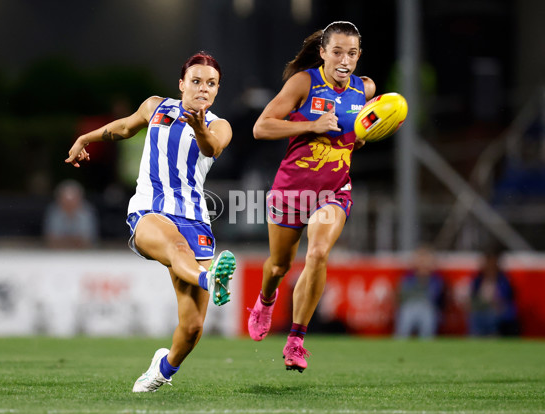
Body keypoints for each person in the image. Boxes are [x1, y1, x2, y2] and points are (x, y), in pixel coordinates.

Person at [65, 52, 236, 393]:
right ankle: (209, 278)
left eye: (211, 84)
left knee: (192, 329)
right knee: (174, 247)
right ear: (181, 84)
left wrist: (199, 126)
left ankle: (162, 369)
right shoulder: (156, 107)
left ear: (217, 90)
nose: (203, 88)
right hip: (150, 211)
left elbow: (209, 146)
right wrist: (87, 138)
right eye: (197, 81)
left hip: (195, 220)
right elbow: (125, 127)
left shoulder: (219, 125)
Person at [247, 21, 376, 372]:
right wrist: (310, 125)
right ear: (322, 52)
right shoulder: (304, 82)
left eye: (352, 53)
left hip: (334, 190)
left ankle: (296, 340)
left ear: (359, 55)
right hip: (292, 190)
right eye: (337, 52)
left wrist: (368, 134)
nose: (344, 60)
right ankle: (266, 298)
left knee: (318, 253)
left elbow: (358, 135)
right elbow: (262, 127)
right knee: (279, 266)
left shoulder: (364, 90)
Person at [394, 245, 445, 339]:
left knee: (428, 314)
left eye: (426, 260)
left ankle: (427, 342)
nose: (423, 263)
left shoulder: (436, 278)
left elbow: (435, 297)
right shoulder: (408, 277)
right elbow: (402, 296)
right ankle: (400, 342)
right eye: (421, 260)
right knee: (406, 312)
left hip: (428, 308)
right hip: (409, 307)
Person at [468, 248, 519, 336]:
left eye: (492, 263)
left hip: (497, 308)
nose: (489, 266)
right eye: (487, 263)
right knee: (475, 315)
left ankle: (493, 335)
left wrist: (497, 303)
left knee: (492, 314)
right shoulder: (478, 279)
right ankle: (476, 338)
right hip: (480, 308)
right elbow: (473, 296)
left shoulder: (504, 280)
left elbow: (507, 298)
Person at [43, 179, 99, 249]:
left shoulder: (87, 212)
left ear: (79, 199)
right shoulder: (53, 212)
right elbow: (51, 239)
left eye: (72, 201)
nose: (69, 204)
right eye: (65, 201)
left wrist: (63, 240)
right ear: (59, 200)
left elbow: (87, 240)